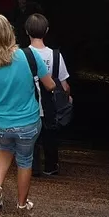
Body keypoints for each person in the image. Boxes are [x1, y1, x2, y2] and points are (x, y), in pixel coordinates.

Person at [0, 14, 56, 211]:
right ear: (10, 31)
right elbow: (49, 85)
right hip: (28, 122)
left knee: (5, 148)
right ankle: (21, 203)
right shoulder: (29, 55)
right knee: (25, 160)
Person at [26, 14, 71, 177]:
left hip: (29, 102)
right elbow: (64, 85)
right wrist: (68, 96)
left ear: (26, 32)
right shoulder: (56, 55)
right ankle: (51, 166)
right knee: (50, 134)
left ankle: (33, 166)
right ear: (47, 31)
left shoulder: (22, 55)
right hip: (50, 102)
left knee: (31, 136)